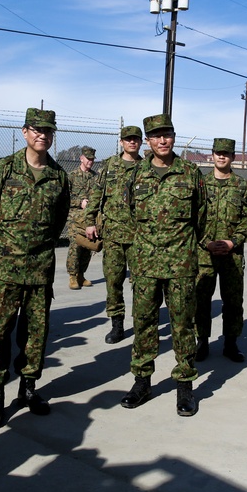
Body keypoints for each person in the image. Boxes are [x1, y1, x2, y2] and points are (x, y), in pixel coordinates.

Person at [0, 108, 70, 429]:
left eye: (48, 130)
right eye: (36, 129)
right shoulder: (3, 168)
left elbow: (58, 222)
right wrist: (6, 245)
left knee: (35, 333)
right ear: (26, 132)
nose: (42, 134)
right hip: (3, 266)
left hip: (39, 267)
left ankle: (28, 389)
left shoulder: (58, 177)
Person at [121, 114, 206, 417]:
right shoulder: (136, 175)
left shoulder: (191, 173)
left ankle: (185, 386)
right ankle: (142, 382)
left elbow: (202, 218)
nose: (161, 140)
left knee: (183, 325)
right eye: (155, 135)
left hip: (180, 264)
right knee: (143, 322)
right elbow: (129, 216)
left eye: (166, 134)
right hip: (145, 263)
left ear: (173, 136)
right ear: (147, 140)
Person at [195, 138, 247, 363]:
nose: (222, 157)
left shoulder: (241, 186)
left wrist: (233, 242)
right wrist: (206, 243)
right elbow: (193, 219)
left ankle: (231, 343)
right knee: (201, 300)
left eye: (226, 153)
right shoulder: (200, 184)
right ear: (212, 155)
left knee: (232, 301)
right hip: (204, 254)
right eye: (218, 153)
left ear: (233, 157)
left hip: (232, 254)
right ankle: (201, 342)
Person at [84, 126, 143, 344]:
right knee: (113, 281)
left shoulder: (146, 166)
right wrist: (89, 222)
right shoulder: (110, 165)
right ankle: (117, 325)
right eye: (128, 139)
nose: (132, 142)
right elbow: (96, 194)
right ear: (121, 142)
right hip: (113, 235)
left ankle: (142, 323)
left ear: (141, 141)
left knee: (141, 283)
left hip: (139, 236)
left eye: (136, 139)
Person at [66, 146, 98, 290]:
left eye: (92, 159)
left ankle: (81, 274)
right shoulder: (72, 176)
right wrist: (80, 202)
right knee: (75, 245)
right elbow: (64, 198)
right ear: (81, 158)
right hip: (74, 217)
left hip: (89, 218)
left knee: (88, 245)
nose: (90, 161)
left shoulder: (95, 177)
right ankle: (72, 275)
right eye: (88, 159)